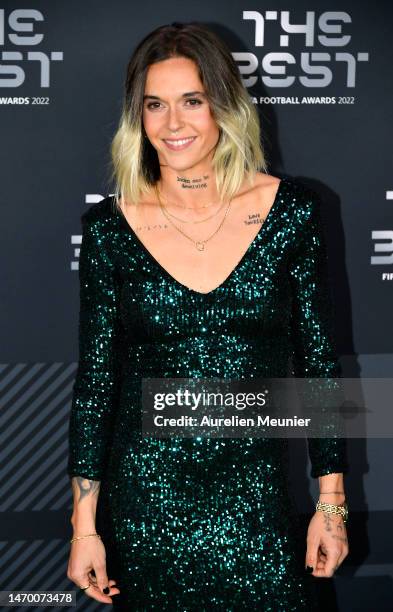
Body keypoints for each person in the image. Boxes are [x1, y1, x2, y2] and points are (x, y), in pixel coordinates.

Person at [66, 21, 349, 610]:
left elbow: (318, 366)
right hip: (146, 503)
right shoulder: (110, 229)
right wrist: (85, 527)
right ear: (136, 116)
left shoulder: (291, 212)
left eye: (192, 101)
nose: (173, 124)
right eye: (155, 105)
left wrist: (331, 504)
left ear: (224, 104)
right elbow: (96, 383)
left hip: (258, 499)